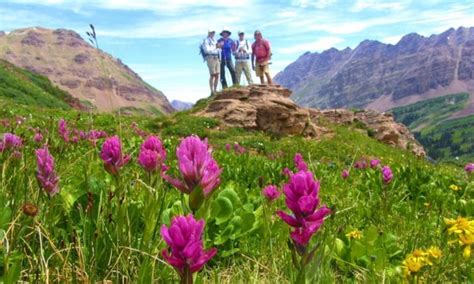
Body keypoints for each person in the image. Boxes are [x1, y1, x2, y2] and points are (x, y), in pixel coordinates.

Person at [202, 29, 220, 94]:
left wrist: (218, 48)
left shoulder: (215, 40)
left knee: (217, 74)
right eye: (211, 32)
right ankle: (212, 91)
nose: (213, 34)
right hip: (210, 58)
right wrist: (215, 47)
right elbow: (207, 50)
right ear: (209, 33)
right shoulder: (206, 41)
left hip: (216, 57)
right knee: (212, 74)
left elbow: (218, 49)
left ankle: (215, 90)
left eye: (213, 32)